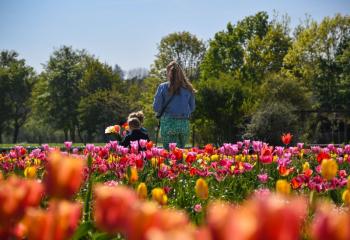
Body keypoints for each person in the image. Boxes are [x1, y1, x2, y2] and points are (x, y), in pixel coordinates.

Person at [153, 61, 195, 149]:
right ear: (181, 73)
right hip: (184, 124)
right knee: (180, 153)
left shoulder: (163, 87)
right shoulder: (188, 88)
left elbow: (156, 107)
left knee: (170, 155)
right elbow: (192, 107)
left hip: (168, 124)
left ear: (168, 73)